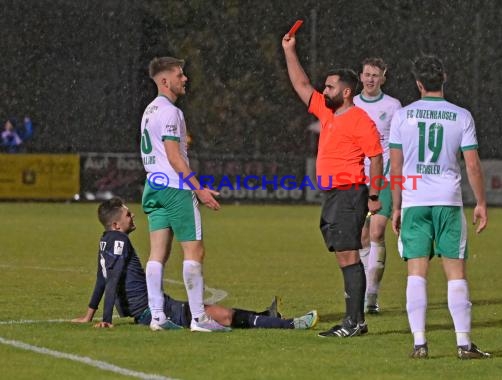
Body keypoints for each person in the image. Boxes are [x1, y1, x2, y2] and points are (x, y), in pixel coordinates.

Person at [72, 198, 319, 331]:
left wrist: (88, 315)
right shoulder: (119, 242)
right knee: (222, 316)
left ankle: (267, 316)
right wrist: (107, 319)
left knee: (213, 310)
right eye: (127, 214)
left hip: (152, 309)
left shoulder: (105, 241)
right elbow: (111, 279)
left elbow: (101, 279)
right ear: (116, 225)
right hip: (153, 310)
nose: (132, 215)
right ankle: (291, 324)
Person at [282, 32, 383, 338]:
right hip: (335, 195)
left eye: (330, 86)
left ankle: (354, 322)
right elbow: (300, 85)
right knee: (344, 255)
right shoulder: (328, 112)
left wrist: (375, 195)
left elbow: (376, 158)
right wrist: (289, 50)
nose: (324, 90)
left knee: (349, 256)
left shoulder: (360, 120)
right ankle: (355, 321)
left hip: (350, 194)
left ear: (347, 91)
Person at [389, 55, 491, 359]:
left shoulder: (402, 116)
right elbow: (472, 164)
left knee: (416, 273)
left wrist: (396, 206)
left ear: (418, 83)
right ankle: (463, 344)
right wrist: (482, 203)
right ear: (443, 78)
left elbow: (395, 168)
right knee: (455, 273)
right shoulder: (461, 115)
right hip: (448, 201)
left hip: (414, 200)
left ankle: (420, 344)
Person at [140, 57, 224, 332]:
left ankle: (157, 317)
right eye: (180, 75)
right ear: (165, 81)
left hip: (154, 184)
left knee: (157, 254)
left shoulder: (150, 110)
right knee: (194, 251)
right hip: (176, 188)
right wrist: (198, 188)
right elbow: (175, 157)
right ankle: (199, 319)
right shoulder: (170, 112)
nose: (185, 78)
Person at [354, 57, 402, 314]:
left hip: (381, 176)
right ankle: (362, 292)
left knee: (376, 232)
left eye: (376, 75)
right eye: (367, 74)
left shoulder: (393, 106)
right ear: (360, 77)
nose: (370, 79)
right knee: (360, 236)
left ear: (383, 77)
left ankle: (371, 296)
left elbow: (396, 145)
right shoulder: (352, 103)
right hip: (354, 177)